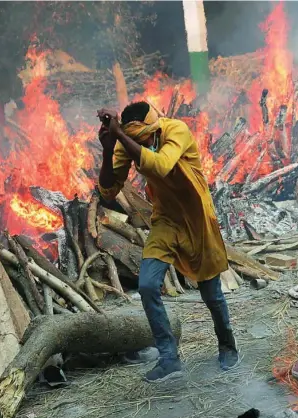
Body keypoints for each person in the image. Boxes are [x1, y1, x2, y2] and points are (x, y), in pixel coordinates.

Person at [97, 102, 240, 383]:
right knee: (148, 285)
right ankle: (169, 358)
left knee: (210, 292)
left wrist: (123, 137)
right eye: (136, 140)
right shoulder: (130, 141)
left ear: (154, 127)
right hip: (166, 221)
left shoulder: (176, 129)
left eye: (145, 139)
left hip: (197, 218)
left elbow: (161, 165)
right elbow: (109, 189)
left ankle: (227, 345)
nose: (142, 144)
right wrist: (108, 146)